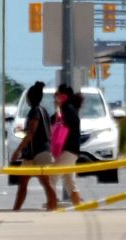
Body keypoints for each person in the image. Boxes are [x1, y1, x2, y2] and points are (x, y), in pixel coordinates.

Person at [9, 83, 56, 211]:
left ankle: (52, 208)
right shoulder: (43, 111)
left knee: (42, 182)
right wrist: (23, 131)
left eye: (28, 97)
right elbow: (38, 131)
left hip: (37, 152)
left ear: (30, 97)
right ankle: (52, 207)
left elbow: (31, 133)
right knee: (30, 182)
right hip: (40, 151)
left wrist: (17, 151)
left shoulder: (34, 111)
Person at [51, 84, 84, 207]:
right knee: (69, 182)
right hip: (71, 152)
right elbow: (53, 121)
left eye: (57, 95)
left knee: (51, 179)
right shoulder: (67, 108)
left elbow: (65, 122)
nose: (55, 98)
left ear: (63, 96)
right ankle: (79, 206)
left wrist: (59, 108)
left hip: (68, 151)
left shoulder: (68, 108)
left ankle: (52, 207)